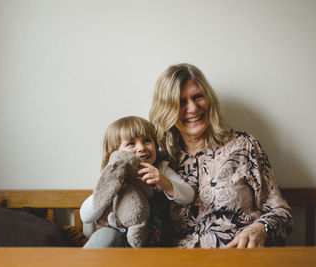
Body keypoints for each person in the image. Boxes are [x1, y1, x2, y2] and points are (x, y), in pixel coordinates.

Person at [149, 63, 292, 248]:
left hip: (238, 259)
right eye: (181, 102)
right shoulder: (162, 162)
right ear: (167, 110)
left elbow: (282, 213)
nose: (192, 108)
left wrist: (260, 228)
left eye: (197, 97)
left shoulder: (243, 146)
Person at [80, 116, 195, 248]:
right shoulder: (113, 174)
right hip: (118, 234)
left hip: (153, 239)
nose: (141, 148)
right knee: (104, 237)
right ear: (115, 153)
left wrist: (166, 183)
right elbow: (85, 217)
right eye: (131, 144)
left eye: (147, 141)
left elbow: (189, 196)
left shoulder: (161, 169)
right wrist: (109, 189)